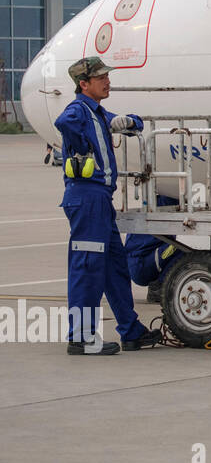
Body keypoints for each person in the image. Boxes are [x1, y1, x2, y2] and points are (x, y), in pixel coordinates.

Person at [55, 57, 163, 355]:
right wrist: (84, 138)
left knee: (116, 267)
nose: (107, 80)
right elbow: (64, 122)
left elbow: (136, 123)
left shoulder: (98, 112)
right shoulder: (79, 111)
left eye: (106, 75)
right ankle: (81, 337)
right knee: (88, 268)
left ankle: (131, 331)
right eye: (100, 77)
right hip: (86, 198)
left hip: (100, 200)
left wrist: (127, 122)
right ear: (84, 84)